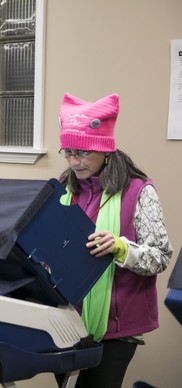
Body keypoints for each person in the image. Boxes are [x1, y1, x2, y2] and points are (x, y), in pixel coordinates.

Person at [55, 93, 172, 388]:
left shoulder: (139, 191)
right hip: (65, 321)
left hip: (117, 328)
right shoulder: (64, 189)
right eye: (67, 152)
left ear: (104, 148)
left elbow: (160, 256)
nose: (73, 161)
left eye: (81, 153)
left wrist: (121, 248)